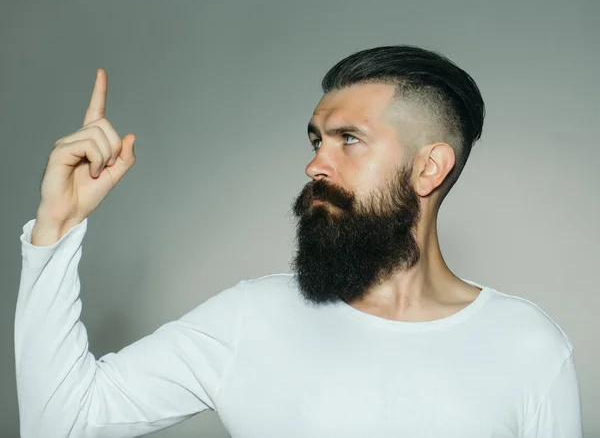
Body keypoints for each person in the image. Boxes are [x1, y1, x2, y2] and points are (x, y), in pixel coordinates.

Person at [15, 45, 582, 438]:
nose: (315, 163)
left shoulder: (527, 347)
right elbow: (60, 422)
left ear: (429, 167)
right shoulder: (251, 317)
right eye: (316, 139)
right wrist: (56, 227)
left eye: (349, 140)